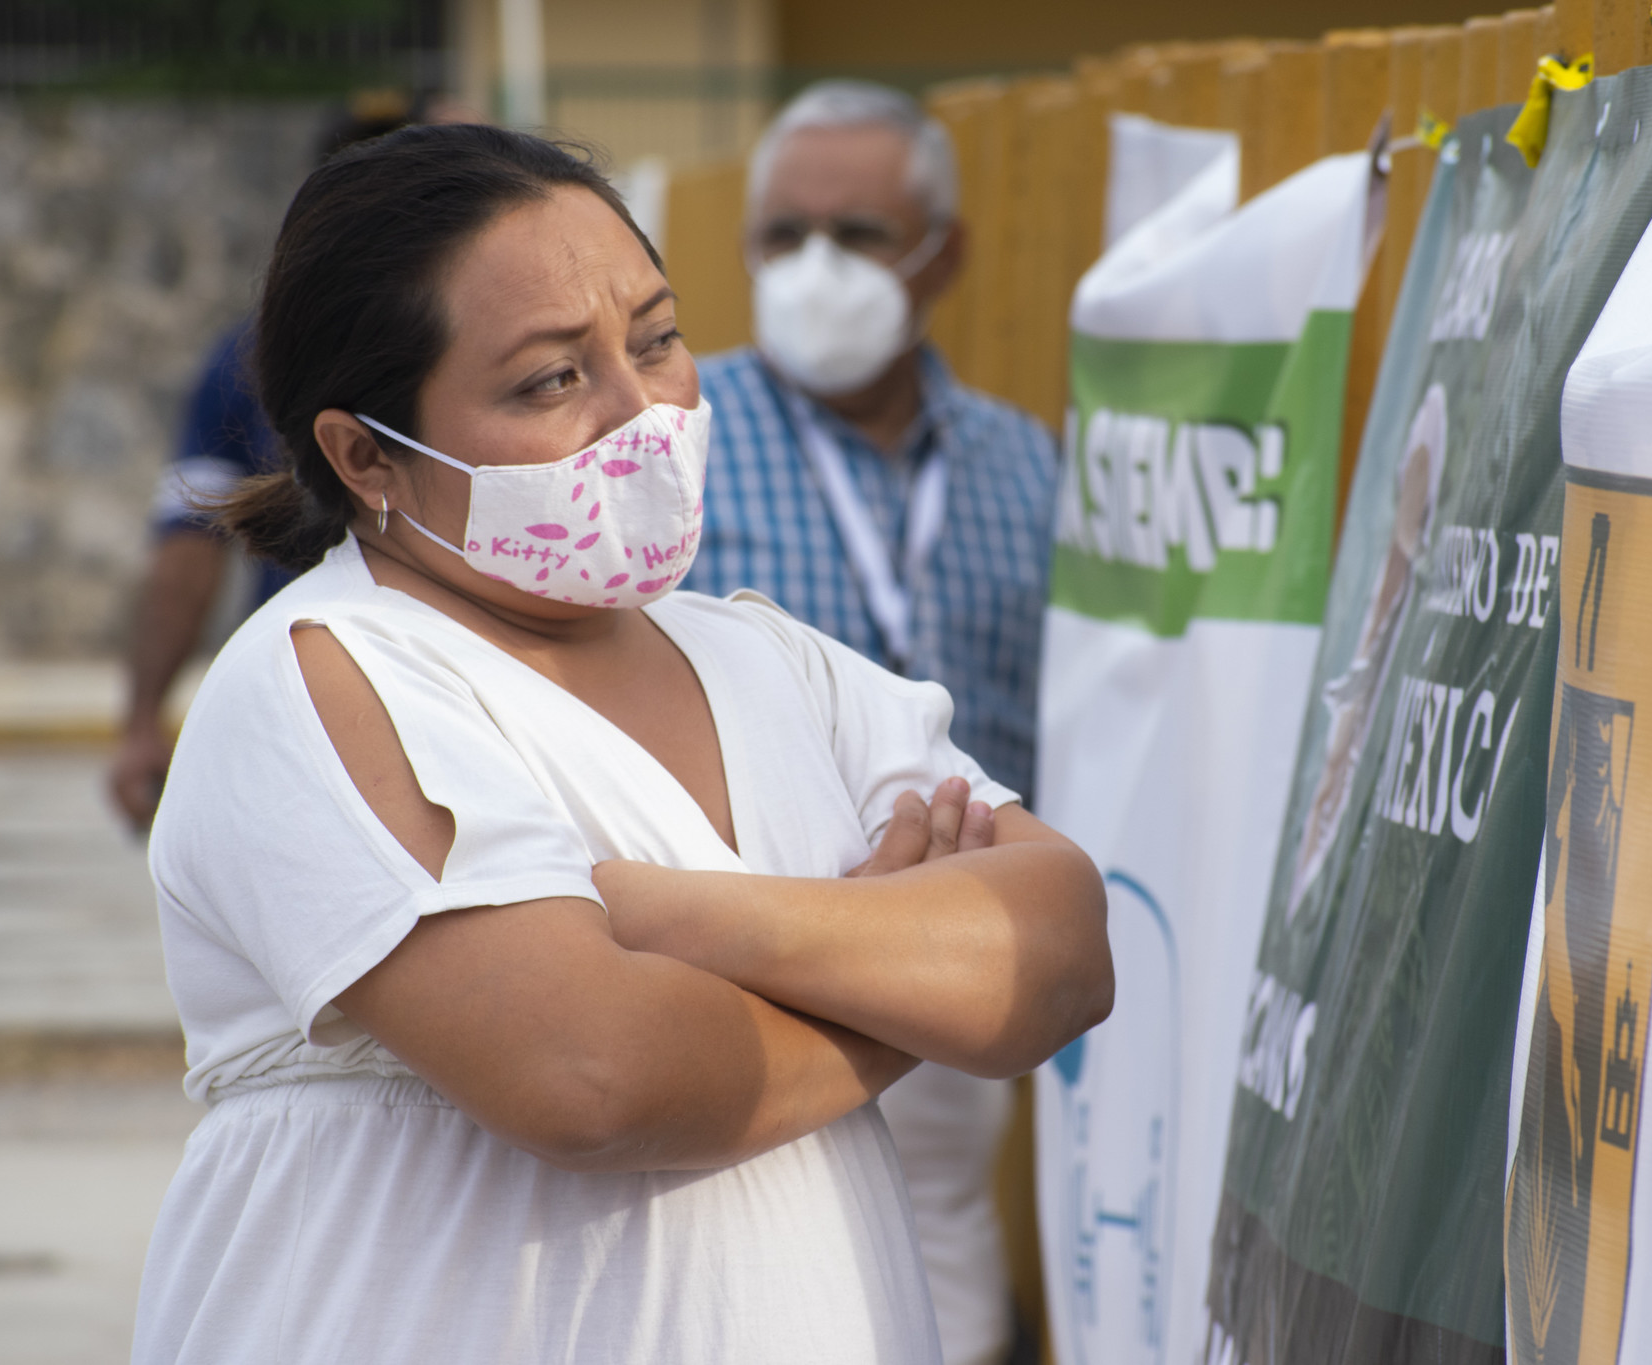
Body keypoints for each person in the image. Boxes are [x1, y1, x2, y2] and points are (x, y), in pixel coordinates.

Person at [128, 123, 1110, 1365]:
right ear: (367, 454)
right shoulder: (323, 678)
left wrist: (680, 917)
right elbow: (595, 1081)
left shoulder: (774, 661)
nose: (641, 412)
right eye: (550, 380)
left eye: (655, 339)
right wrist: (905, 973)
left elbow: (1058, 948)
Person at [684, 81, 1061, 1365]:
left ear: (940, 254)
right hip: (740, 955)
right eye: (783, 236)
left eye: (855, 234)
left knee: (941, 1251)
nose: (813, 268)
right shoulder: (675, 449)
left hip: (957, 958)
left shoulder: (1026, 468)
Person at [108, 91, 465, 830]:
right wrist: (144, 719)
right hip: (337, 719)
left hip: (313, 716)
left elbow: (188, 541)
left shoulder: (250, 356)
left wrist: (143, 723)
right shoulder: (253, 363)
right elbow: (191, 543)